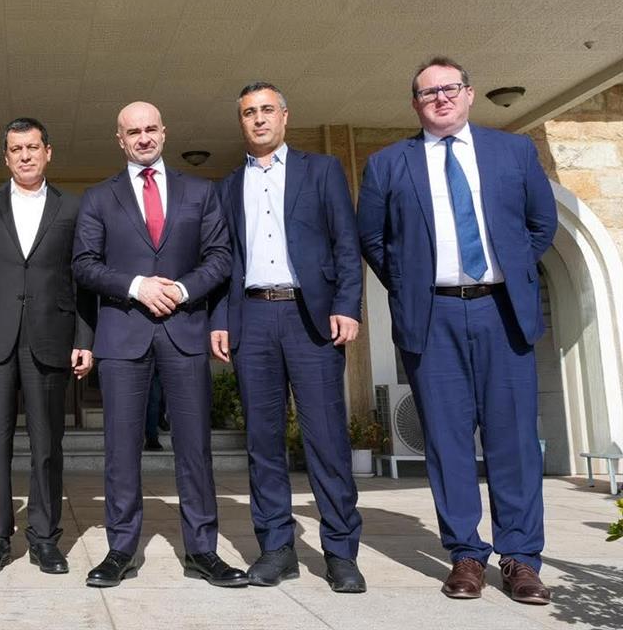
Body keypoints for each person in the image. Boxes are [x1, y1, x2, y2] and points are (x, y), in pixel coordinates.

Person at [357, 56, 557, 604]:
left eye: (450, 88)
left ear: (469, 93)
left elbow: (541, 224)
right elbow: (372, 239)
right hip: (433, 316)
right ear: (415, 104)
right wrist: (411, 285)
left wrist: (510, 270)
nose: (440, 98)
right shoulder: (387, 164)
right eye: (428, 92)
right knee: (446, 441)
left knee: (514, 440)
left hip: (501, 312)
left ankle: (520, 558)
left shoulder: (513, 151)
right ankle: (466, 554)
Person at [72, 101, 244, 589]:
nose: (143, 137)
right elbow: (84, 264)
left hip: (184, 331)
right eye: (133, 132)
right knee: (121, 449)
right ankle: (121, 550)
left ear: (164, 133)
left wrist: (183, 290)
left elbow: (220, 256)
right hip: (123, 335)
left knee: (194, 447)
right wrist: (136, 286)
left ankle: (202, 550)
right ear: (120, 139)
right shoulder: (98, 197)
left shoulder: (200, 192)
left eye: (150, 129)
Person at [209, 82, 366, 593]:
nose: (258, 119)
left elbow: (346, 244)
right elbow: (223, 261)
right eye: (248, 113)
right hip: (252, 318)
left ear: (284, 116)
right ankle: (277, 548)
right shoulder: (227, 186)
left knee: (326, 439)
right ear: (241, 122)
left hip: (310, 318)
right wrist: (220, 319)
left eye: (266, 110)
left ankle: (340, 552)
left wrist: (346, 305)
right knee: (263, 441)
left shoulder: (321, 170)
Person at [0, 117, 95, 576]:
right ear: (6, 157)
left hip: (51, 337)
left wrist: (84, 339)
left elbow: (82, 279)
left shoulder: (73, 207)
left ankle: (44, 538)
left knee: (47, 444)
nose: (25, 156)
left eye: (33, 147)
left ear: (48, 152)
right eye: (16, 149)